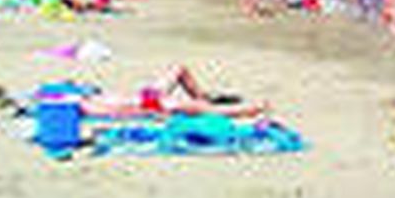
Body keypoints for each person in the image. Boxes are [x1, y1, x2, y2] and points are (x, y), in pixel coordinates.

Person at [77, 65, 268, 119]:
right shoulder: (91, 109)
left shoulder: (85, 101)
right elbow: (124, 113)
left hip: (148, 96)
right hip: (154, 106)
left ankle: (203, 97)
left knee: (179, 69)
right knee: (205, 110)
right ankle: (250, 109)